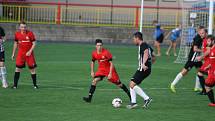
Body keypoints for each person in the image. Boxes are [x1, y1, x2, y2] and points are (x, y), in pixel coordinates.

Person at [170, 26, 206, 93]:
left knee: (200, 72)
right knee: (184, 72)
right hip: (193, 58)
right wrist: (203, 50)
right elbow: (195, 49)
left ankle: (197, 87)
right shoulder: (198, 38)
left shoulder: (202, 38)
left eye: (202, 33)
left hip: (197, 58)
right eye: (200, 32)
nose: (201, 34)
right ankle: (173, 84)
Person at [126, 32, 155, 109]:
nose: (133, 41)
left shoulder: (143, 45)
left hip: (143, 69)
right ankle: (134, 102)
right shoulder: (147, 45)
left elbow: (145, 53)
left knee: (132, 84)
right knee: (132, 84)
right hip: (145, 69)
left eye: (134, 39)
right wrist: (149, 64)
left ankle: (146, 99)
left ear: (137, 38)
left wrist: (144, 64)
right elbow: (154, 56)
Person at [11, 21, 38, 89]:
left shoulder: (30, 33)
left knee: (32, 69)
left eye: (25, 27)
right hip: (21, 54)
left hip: (29, 54)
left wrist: (30, 51)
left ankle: (35, 85)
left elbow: (34, 43)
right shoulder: (17, 34)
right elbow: (15, 44)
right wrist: (13, 53)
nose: (23, 28)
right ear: (19, 27)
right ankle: (15, 85)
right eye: (22, 27)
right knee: (17, 69)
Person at [204, 37, 215, 107]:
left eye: (208, 41)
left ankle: (213, 103)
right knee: (207, 86)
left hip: (213, 73)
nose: (207, 43)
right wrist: (208, 66)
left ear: (213, 41)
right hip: (212, 71)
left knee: (207, 86)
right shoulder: (211, 50)